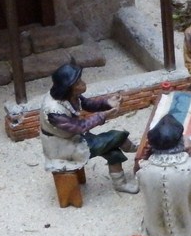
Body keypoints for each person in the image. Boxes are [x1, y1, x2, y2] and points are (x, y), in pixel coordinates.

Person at [40, 62, 138, 194]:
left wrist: (107, 102)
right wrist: (103, 115)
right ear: (69, 87)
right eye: (78, 82)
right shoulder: (54, 111)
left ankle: (120, 183)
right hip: (64, 147)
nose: (83, 83)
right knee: (116, 136)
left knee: (113, 151)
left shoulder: (70, 96)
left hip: (74, 137)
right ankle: (134, 148)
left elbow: (87, 104)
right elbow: (79, 127)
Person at [137, 114, 191, 236]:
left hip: (155, 232)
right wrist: (190, 149)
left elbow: (137, 171)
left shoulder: (144, 169)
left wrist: (145, 156)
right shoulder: (189, 167)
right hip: (188, 230)